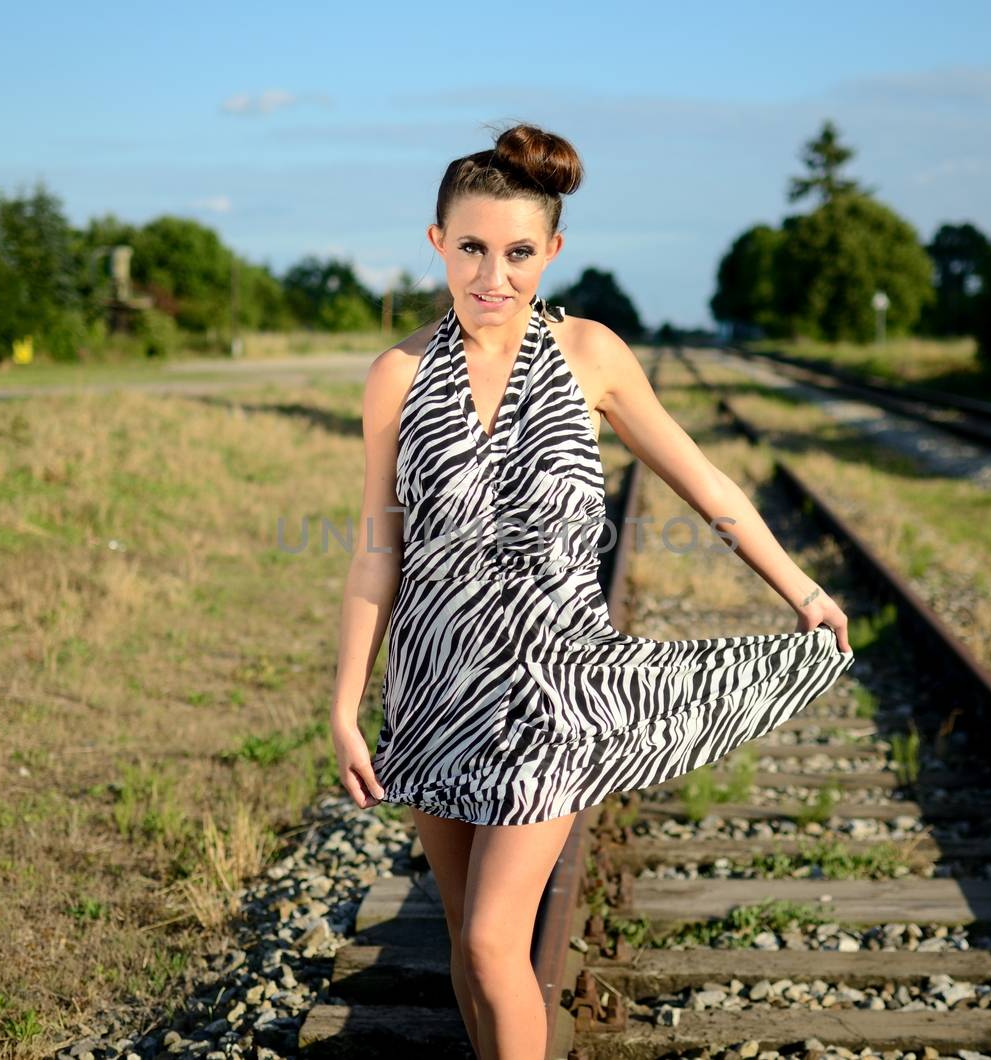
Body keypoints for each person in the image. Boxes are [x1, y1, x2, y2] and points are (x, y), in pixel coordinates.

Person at [329, 122, 855, 1060]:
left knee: (498, 939)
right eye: (473, 249)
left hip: (555, 692)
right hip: (434, 692)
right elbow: (379, 549)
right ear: (436, 243)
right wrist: (342, 705)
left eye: (519, 253)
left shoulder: (591, 356)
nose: (494, 277)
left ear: (553, 252)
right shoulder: (396, 378)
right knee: (465, 941)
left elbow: (710, 488)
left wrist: (801, 590)